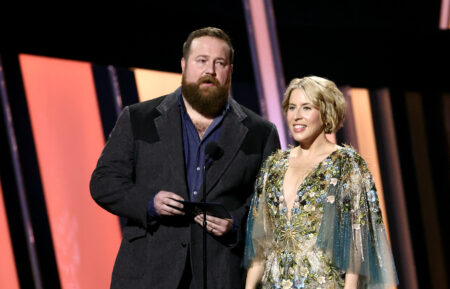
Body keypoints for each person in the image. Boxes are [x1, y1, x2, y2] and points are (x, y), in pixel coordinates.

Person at [90, 27, 280, 289]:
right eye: (201, 60)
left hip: (220, 274)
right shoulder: (139, 118)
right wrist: (149, 203)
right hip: (147, 272)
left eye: (219, 63)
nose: (210, 71)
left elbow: (271, 205)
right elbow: (104, 182)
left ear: (230, 71)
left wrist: (236, 224)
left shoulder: (260, 132)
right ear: (183, 64)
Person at [244, 76, 398, 289]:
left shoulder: (346, 164)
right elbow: (260, 244)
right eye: (291, 107)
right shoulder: (274, 165)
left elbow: (355, 244)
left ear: (326, 113)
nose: (296, 116)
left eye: (306, 108)